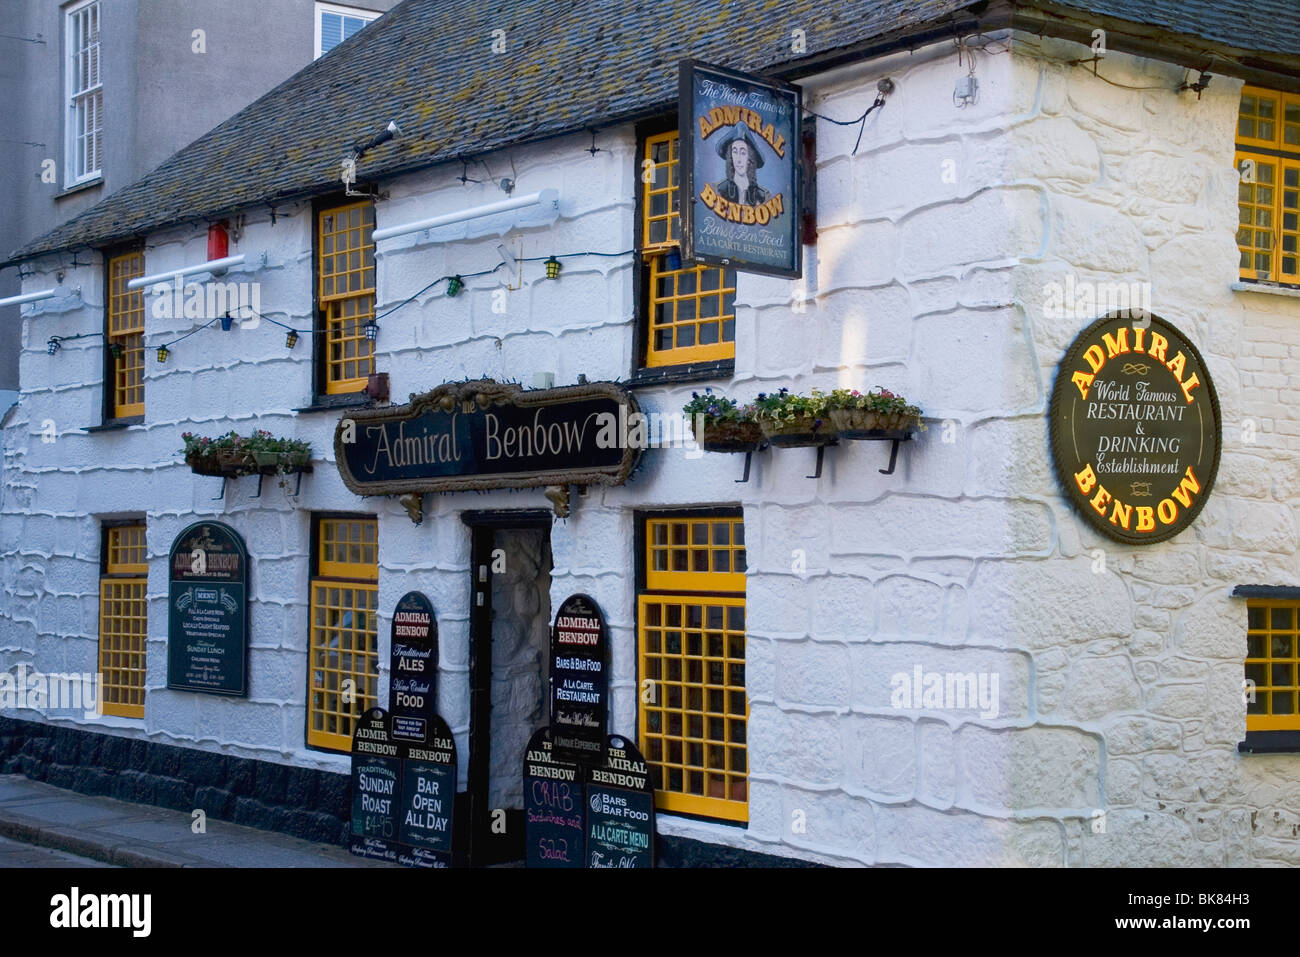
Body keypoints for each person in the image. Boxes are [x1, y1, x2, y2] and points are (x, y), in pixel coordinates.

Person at [713, 122, 769, 205]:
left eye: (743, 153)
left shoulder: (762, 196)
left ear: (750, 159)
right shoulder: (719, 190)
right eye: (735, 152)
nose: (738, 159)